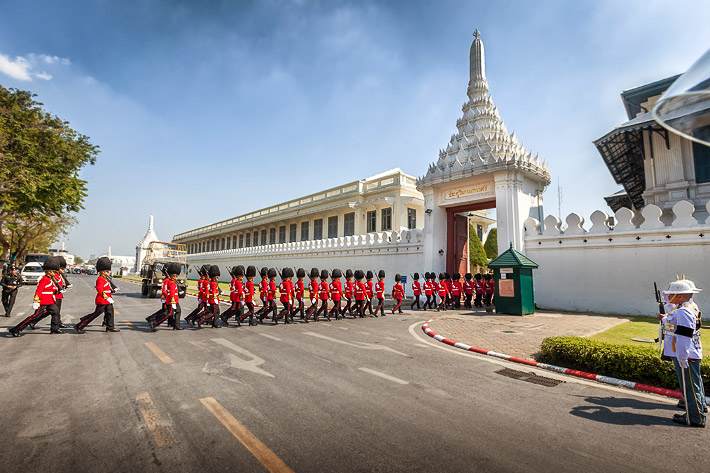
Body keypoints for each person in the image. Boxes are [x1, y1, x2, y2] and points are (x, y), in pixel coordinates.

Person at [658, 278, 706, 427]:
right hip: (692, 351)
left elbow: (684, 336)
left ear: (679, 296)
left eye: (672, 294)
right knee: (695, 385)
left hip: (687, 353)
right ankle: (698, 408)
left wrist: (682, 356)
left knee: (690, 388)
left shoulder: (683, 312)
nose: (668, 297)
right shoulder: (689, 306)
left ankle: (695, 418)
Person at [9, 256, 62, 336]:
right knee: (35, 316)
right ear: (48, 272)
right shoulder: (44, 279)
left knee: (56, 312)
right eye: (53, 272)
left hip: (50, 300)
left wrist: (58, 291)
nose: (54, 274)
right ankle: (16, 329)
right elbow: (39, 291)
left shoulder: (50, 279)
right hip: (43, 301)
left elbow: (50, 290)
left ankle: (54, 329)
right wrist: (36, 301)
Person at [75, 257, 119, 334]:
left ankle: (110, 327)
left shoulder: (105, 279)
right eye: (106, 271)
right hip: (102, 300)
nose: (108, 273)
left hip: (108, 299)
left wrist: (112, 290)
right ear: (101, 272)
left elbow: (107, 289)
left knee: (110, 313)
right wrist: (106, 297)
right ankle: (80, 325)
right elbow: (100, 290)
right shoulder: (100, 279)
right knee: (96, 314)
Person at [148, 263, 182, 331]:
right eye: (174, 276)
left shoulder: (172, 282)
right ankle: (154, 322)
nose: (176, 277)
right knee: (168, 313)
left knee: (174, 312)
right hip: (172, 301)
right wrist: (172, 302)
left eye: (176, 276)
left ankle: (175, 325)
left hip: (174, 300)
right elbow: (171, 293)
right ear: (171, 276)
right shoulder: (171, 282)